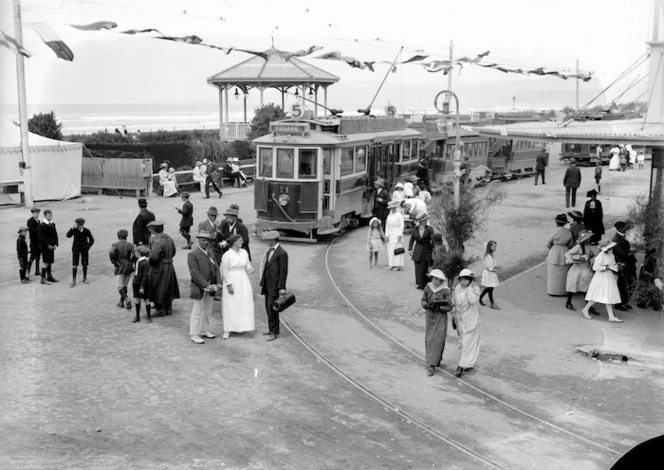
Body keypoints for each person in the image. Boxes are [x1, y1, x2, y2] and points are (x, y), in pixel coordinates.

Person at [188, 230, 221, 344]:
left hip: (211, 286)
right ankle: (194, 334)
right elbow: (195, 273)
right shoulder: (193, 254)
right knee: (197, 310)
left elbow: (216, 268)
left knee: (208, 309)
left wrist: (218, 282)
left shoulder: (210, 252)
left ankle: (204, 330)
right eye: (203, 240)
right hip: (199, 287)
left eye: (208, 240)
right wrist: (206, 285)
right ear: (198, 240)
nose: (206, 242)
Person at [220, 234, 255, 339]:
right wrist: (229, 284)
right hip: (232, 279)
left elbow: (247, 265)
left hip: (243, 280)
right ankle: (228, 329)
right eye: (239, 240)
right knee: (231, 304)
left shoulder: (244, 252)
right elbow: (225, 271)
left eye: (241, 240)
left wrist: (250, 269)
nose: (241, 242)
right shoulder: (227, 255)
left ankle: (242, 327)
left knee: (244, 302)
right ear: (233, 242)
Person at [581, 240, 623, 322]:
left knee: (608, 295)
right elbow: (595, 267)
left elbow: (612, 265)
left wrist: (617, 266)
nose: (611, 249)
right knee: (598, 294)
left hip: (609, 277)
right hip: (601, 277)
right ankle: (586, 309)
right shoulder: (601, 255)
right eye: (610, 248)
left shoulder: (611, 255)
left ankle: (611, 316)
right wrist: (605, 267)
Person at [421, 269, 452, 376]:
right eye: (433, 278)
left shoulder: (445, 290)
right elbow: (423, 299)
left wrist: (440, 307)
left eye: (437, 279)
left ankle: (436, 360)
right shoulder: (428, 287)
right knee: (429, 338)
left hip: (440, 317)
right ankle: (431, 363)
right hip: (430, 317)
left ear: (441, 280)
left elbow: (449, 306)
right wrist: (426, 305)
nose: (434, 281)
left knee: (438, 339)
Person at [259, 230, 288, 342]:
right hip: (267, 284)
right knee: (268, 308)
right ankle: (271, 329)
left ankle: (274, 331)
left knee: (272, 309)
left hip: (275, 286)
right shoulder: (269, 251)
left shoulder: (282, 253)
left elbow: (283, 271)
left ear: (273, 240)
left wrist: (282, 287)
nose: (267, 242)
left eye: (268, 241)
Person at [147, 221, 180, 317]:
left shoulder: (157, 241)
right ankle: (168, 308)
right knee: (169, 286)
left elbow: (154, 256)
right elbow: (173, 251)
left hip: (160, 266)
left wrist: (152, 263)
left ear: (154, 229)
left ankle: (159, 308)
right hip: (169, 264)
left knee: (158, 286)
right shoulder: (169, 238)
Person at [453, 268, 481, 378]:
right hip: (460, 319)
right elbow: (455, 302)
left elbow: (472, 300)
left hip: (471, 320)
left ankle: (461, 366)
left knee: (468, 343)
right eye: (461, 279)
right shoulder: (457, 288)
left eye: (465, 279)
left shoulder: (475, 289)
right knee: (462, 342)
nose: (462, 282)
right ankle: (468, 363)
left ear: (470, 280)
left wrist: (469, 288)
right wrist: (454, 316)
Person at [564, 230, 595, 312]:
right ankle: (568, 302)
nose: (590, 239)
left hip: (585, 268)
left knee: (586, 287)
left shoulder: (587, 246)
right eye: (588, 238)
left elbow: (589, 254)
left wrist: (591, 255)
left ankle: (588, 305)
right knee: (572, 286)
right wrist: (576, 259)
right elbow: (568, 254)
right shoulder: (578, 247)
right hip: (577, 269)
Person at [612, 221, 637, 311]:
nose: (625, 229)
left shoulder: (622, 236)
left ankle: (625, 302)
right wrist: (632, 251)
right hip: (623, 264)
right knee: (622, 284)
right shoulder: (616, 239)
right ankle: (618, 304)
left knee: (628, 283)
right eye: (624, 228)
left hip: (628, 263)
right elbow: (622, 254)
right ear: (619, 229)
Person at [546, 214, 574, 296]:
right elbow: (570, 244)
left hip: (555, 250)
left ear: (557, 223)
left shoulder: (555, 231)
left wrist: (552, 247)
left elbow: (548, 243)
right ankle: (562, 290)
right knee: (563, 272)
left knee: (553, 271)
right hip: (564, 251)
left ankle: (552, 290)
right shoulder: (568, 232)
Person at [110, 229, 135, 309]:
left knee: (119, 286)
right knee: (125, 285)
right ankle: (121, 302)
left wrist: (114, 261)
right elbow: (135, 254)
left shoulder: (115, 244)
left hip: (120, 265)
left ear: (118, 236)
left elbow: (111, 252)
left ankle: (127, 299)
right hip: (128, 265)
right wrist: (132, 261)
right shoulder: (130, 245)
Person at [408, 213, 435, 290]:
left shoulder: (429, 229)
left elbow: (433, 240)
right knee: (418, 267)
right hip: (418, 249)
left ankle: (425, 284)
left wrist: (434, 249)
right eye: (424, 220)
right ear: (420, 222)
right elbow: (412, 239)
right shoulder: (415, 229)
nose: (425, 222)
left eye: (426, 220)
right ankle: (419, 283)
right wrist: (410, 249)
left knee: (425, 267)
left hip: (427, 249)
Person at [66, 218, 95, 287]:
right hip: (76, 249)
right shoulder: (74, 230)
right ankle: (74, 279)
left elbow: (92, 240)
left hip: (84, 249)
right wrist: (72, 228)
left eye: (81, 225)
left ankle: (84, 278)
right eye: (79, 225)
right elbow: (68, 235)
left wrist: (88, 246)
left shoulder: (86, 231)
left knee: (84, 263)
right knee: (75, 264)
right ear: (77, 225)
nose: (80, 226)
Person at [38, 209, 59, 284]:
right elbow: (41, 238)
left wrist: (56, 243)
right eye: (49, 216)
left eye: (51, 215)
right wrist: (48, 245)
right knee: (45, 262)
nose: (50, 217)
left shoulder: (52, 224)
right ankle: (43, 278)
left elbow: (55, 235)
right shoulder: (41, 225)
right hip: (45, 247)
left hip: (52, 246)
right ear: (45, 216)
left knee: (50, 261)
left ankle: (49, 276)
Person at [131, 245, 151, 323]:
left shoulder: (145, 263)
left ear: (139, 253)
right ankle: (137, 316)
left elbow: (145, 276)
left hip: (142, 284)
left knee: (146, 299)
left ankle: (148, 316)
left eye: (136, 252)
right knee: (137, 299)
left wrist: (142, 286)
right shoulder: (138, 261)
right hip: (136, 282)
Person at [479, 240, 501, 309]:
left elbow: (490, 265)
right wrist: (495, 270)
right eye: (494, 246)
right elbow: (490, 268)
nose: (495, 248)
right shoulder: (489, 256)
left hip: (489, 273)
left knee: (489, 288)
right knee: (490, 289)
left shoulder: (490, 255)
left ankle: (480, 298)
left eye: (495, 246)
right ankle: (492, 303)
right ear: (490, 247)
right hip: (489, 274)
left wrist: (496, 267)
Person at [385, 201, 405, 271]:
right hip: (390, 234)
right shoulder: (389, 216)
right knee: (390, 249)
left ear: (395, 208)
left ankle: (397, 265)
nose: (392, 209)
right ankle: (392, 264)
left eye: (393, 208)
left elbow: (401, 225)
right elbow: (387, 226)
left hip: (397, 233)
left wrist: (400, 235)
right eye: (391, 208)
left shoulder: (399, 215)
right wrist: (386, 235)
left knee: (397, 249)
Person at [26, 206, 42, 277]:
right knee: (32, 257)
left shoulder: (38, 221)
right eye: (36, 213)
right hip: (34, 242)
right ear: (32, 213)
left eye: (38, 213)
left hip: (38, 242)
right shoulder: (30, 221)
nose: (37, 214)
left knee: (38, 257)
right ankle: (28, 269)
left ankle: (37, 270)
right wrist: (40, 228)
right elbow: (33, 230)